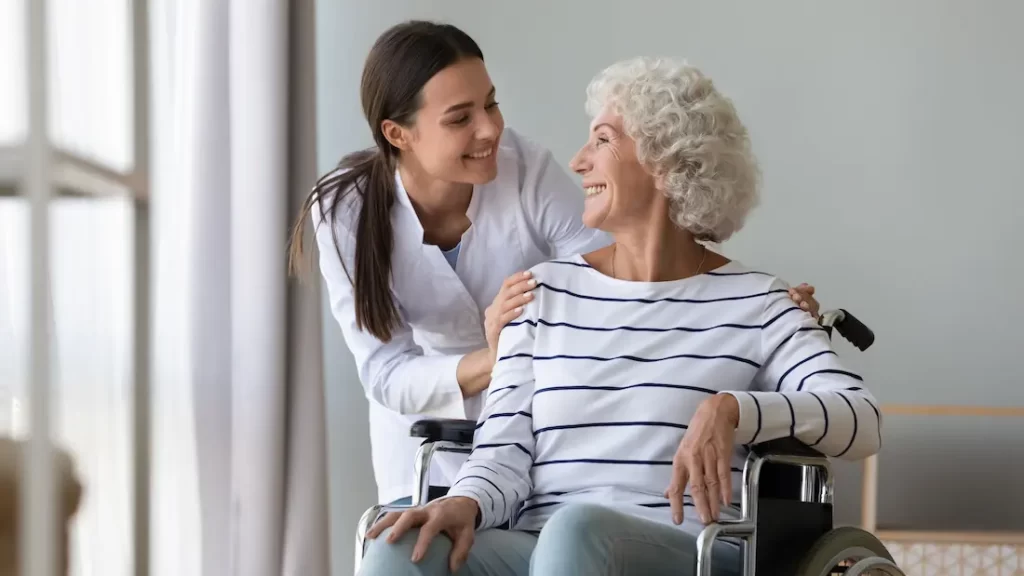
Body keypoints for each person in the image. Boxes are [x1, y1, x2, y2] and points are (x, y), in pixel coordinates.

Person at [358, 57, 883, 576]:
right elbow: (502, 454)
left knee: (577, 531)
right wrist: (465, 502)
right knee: (398, 546)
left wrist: (735, 410)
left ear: (667, 160)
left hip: (691, 551)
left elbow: (861, 421)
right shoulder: (541, 295)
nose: (579, 160)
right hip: (540, 544)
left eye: (602, 140)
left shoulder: (759, 303)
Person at [288, 20, 822, 507]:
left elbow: (620, 276)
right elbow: (385, 372)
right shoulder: (342, 213)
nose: (490, 130)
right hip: (426, 439)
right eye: (460, 118)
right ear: (397, 134)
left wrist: (756, 307)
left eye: (491, 104)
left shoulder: (522, 168)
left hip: (540, 429)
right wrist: (493, 357)